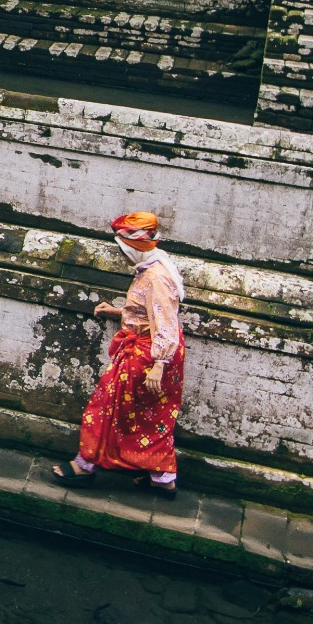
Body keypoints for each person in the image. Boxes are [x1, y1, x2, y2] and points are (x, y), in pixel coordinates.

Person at [50, 210, 185, 498]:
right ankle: (162, 479)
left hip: (149, 354)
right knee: (151, 416)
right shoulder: (155, 268)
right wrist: (118, 311)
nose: (122, 256)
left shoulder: (157, 277)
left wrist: (159, 364)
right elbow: (149, 312)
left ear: (134, 247)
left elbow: (164, 321)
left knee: (105, 406)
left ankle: (85, 465)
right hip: (154, 350)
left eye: (123, 250)